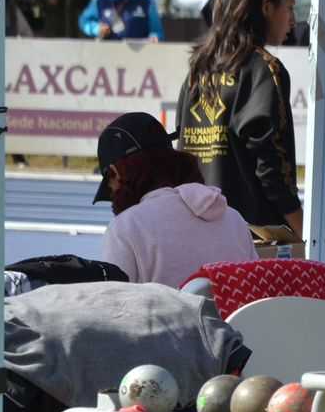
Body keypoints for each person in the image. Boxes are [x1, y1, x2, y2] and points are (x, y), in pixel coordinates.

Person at [176, 0, 303, 251]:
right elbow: (270, 164)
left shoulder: (199, 68)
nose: (293, 20)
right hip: (252, 238)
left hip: (196, 231)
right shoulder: (264, 69)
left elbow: (183, 152)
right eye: (290, 7)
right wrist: (299, 226)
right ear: (268, 7)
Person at [92, 111, 255, 286]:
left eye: (110, 185)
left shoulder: (125, 228)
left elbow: (116, 307)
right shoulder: (233, 219)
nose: (112, 192)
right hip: (231, 314)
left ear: (115, 173)